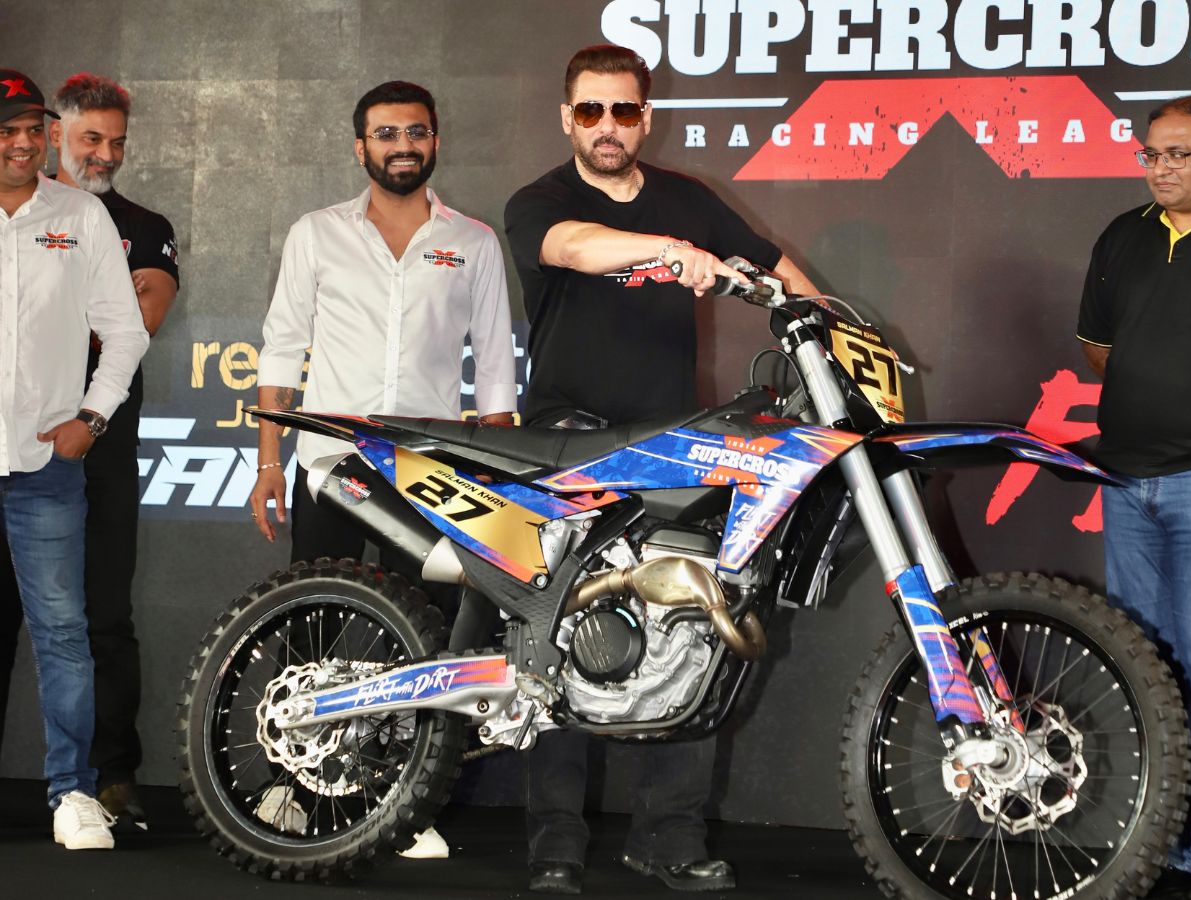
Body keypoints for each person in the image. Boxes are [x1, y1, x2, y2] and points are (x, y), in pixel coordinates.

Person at [504, 44, 819, 895]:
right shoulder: (541, 201)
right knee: (557, 636)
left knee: (696, 629)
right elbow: (573, 249)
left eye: (624, 110)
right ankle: (555, 844)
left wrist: (821, 318)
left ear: (646, 118)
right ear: (567, 118)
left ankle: (668, 836)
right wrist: (671, 253)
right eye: (591, 111)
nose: (607, 126)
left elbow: (774, 266)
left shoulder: (688, 198)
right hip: (567, 443)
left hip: (675, 445)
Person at [250, 79, 517, 860]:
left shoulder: (473, 242)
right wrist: (268, 462)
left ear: (436, 141)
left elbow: (496, 372)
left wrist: (497, 478)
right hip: (331, 465)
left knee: (422, 639)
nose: (404, 145)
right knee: (313, 629)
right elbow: (281, 349)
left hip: (427, 472)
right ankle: (293, 787)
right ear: (360, 146)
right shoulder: (316, 233)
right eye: (387, 133)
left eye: (417, 132)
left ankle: (399, 801)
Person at [0, 68, 148, 849]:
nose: (24, 143)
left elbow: (126, 331)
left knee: (63, 633)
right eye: (7, 130)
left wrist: (92, 417)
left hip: (45, 470)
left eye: (34, 128)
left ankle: (73, 792)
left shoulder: (80, 215)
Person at [1077, 95, 1191, 900]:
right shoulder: (1123, 235)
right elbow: (1097, 345)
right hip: (1126, 482)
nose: (1160, 168)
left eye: (1179, 154)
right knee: (1144, 669)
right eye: (1152, 154)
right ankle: (1159, 842)